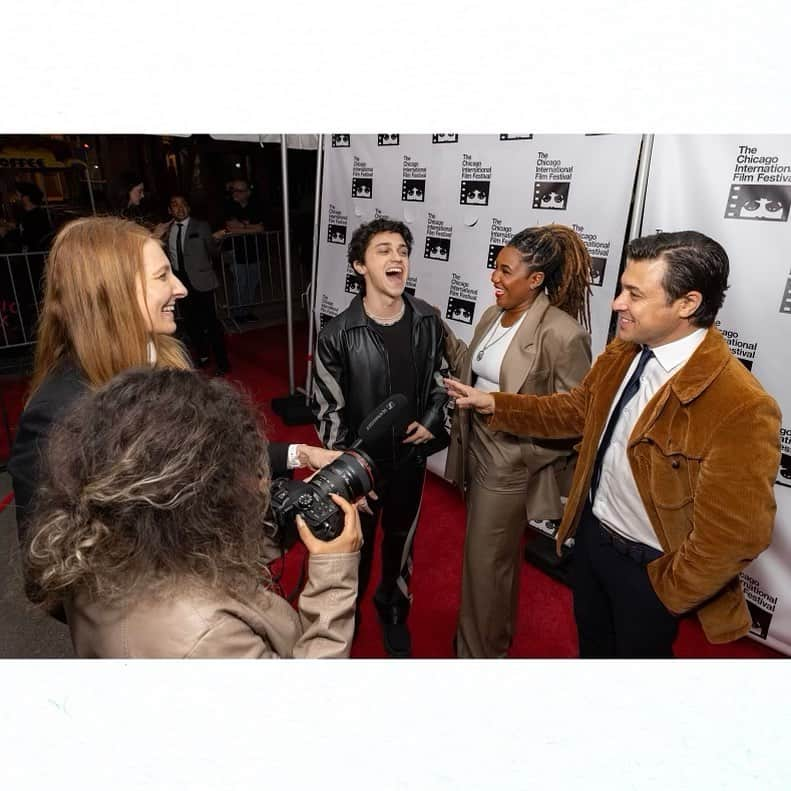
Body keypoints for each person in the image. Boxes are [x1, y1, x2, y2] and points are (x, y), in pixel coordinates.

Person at [445, 230, 781, 658]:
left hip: (649, 572)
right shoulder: (623, 351)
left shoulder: (741, 405)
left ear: (687, 304)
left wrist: (665, 591)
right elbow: (575, 411)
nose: (617, 302)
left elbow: (737, 535)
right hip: (591, 543)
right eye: (621, 288)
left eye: (634, 294)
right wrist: (495, 402)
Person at [8, 216, 336, 546]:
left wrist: (301, 454)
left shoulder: (170, 357)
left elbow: (210, 451)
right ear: (113, 293)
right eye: (163, 276)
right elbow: (49, 558)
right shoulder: (56, 413)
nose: (180, 288)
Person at [23, 367, 362, 658]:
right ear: (197, 496)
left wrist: (293, 514)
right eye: (239, 473)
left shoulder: (92, 540)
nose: (260, 482)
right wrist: (333, 579)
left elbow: (190, 556)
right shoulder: (206, 636)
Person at [443, 225, 592, 658]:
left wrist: (523, 457)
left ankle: (474, 657)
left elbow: (575, 418)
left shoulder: (563, 334)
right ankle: (493, 644)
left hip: (507, 466)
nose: (495, 277)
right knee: (495, 565)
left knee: (483, 565)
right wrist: (437, 327)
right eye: (495, 267)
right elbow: (474, 369)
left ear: (536, 279)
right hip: (473, 448)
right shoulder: (493, 315)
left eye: (506, 271)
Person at [312, 217, 448, 657]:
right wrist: (348, 478)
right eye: (383, 250)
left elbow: (442, 379)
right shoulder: (337, 334)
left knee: (400, 544)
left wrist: (431, 417)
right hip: (360, 470)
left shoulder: (428, 319)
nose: (397, 258)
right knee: (353, 550)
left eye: (403, 251)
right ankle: (342, 623)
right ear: (359, 266)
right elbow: (328, 412)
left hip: (410, 461)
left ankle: (392, 612)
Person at [162, 194, 230, 376]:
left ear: (189, 208)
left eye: (184, 204)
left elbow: (213, 253)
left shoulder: (201, 226)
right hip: (180, 283)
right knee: (191, 323)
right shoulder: (167, 230)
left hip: (202, 282)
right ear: (170, 210)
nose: (180, 208)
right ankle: (202, 356)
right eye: (175, 205)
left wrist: (216, 240)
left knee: (211, 323)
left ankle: (223, 363)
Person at [219, 178, 265, 323]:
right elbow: (231, 228)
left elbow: (261, 228)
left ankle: (247, 311)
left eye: (239, 190)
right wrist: (250, 227)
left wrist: (242, 227)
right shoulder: (228, 206)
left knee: (253, 282)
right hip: (235, 252)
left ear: (248, 193)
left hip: (255, 251)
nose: (235, 193)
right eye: (233, 189)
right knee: (240, 283)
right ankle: (237, 313)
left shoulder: (256, 206)